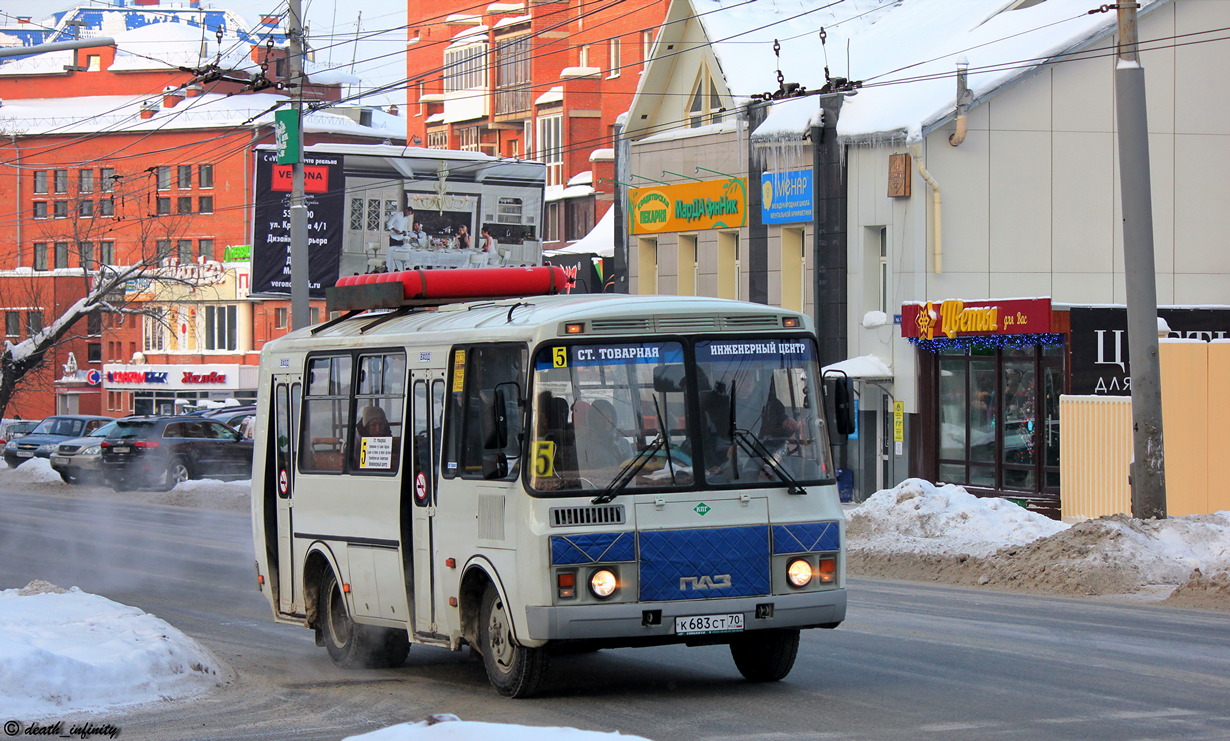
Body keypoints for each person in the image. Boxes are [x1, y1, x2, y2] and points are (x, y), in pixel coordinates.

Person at [386, 206, 414, 271]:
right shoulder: (397, 215)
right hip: (394, 237)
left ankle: (398, 268)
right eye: (409, 213)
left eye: (410, 214)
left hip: (400, 238)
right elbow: (389, 224)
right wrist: (395, 230)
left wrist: (405, 233)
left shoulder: (406, 218)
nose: (409, 215)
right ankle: (389, 268)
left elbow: (404, 227)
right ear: (406, 210)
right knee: (392, 253)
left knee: (400, 253)